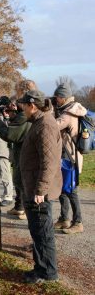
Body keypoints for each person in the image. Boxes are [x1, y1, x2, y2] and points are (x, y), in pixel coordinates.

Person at [18, 90, 62, 284]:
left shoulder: (44, 125)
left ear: (32, 105)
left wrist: (40, 190)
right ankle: (40, 267)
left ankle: (47, 273)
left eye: (23, 106)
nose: (22, 109)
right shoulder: (38, 122)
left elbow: (50, 161)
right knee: (37, 231)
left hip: (39, 190)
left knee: (43, 232)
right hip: (33, 186)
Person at [0, 80, 35, 218]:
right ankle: (20, 207)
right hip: (22, 151)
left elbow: (11, 135)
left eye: (17, 92)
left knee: (24, 182)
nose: (16, 95)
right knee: (19, 180)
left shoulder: (28, 111)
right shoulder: (27, 109)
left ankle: (28, 211)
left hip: (26, 152)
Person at [53, 83, 86, 234]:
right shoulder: (65, 109)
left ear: (63, 97)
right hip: (65, 155)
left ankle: (78, 222)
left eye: (58, 97)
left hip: (70, 157)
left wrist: (47, 112)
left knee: (71, 190)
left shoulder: (68, 113)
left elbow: (52, 126)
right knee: (62, 188)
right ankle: (64, 219)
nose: (56, 100)